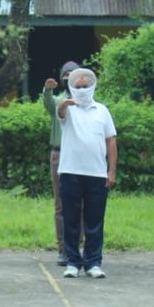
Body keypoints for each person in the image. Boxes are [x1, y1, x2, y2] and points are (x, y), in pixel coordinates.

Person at [56, 67, 117, 279]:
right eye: (78, 86)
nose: (82, 90)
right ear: (71, 87)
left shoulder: (102, 110)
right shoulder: (67, 108)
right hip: (70, 171)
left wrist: (112, 170)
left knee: (95, 219)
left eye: (85, 86)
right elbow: (60, 113)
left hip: (97, 173)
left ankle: (93, 262)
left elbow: (111, 140)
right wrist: (64, 103)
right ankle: (73, 261)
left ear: (92, 86)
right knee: (71, 218)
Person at [42, 60, 80, 266]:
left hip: (80, 156)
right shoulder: (58, 100)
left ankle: (77, 245)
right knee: (61, 204)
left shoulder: (85, 101)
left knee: (80, 203)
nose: (69, 78)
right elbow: (48, 104)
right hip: (59, 154)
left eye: (73, 74)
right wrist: (47, 90)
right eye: (65, 75)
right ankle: (63, 249)